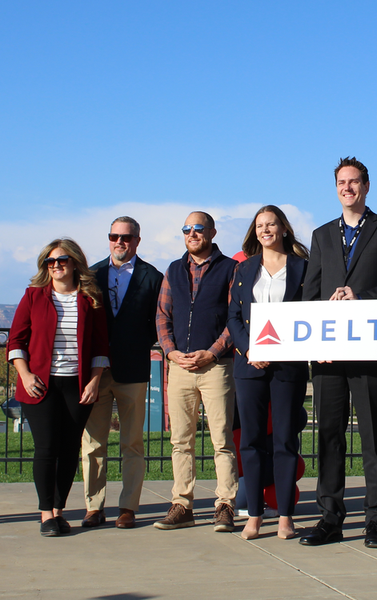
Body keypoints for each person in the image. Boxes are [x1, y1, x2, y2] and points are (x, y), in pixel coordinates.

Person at [300, 157, 377, 549]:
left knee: (373, 437)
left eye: (353, 182)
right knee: (328, 435)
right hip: (329, 353)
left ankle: (376, 520)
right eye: (341, 183)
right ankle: (330, 518)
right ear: (336, 189)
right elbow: (311, 294)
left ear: (366, 186)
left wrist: (360, 296)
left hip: (370, 349)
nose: (347, 188)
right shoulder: (322, 235)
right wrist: (315, 343)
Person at [7, 239, 110, 537]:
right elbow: (15, 340)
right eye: (49, 262)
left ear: (75, 263)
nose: (55, 266)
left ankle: (59, 511)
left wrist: (94, 380)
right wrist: (25, 375)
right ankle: (45, 514)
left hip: (77, 385)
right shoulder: (33, 296)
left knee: (68, 450)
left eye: (62, 260)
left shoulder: (90, 298)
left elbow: (100, 345)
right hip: (41, 385)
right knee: (46, 448)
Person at [227, 205, 310, 540]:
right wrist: (250, 350)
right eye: (260, 225)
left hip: (288, 365)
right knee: (250, 441)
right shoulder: (244, 269)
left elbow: (311, 313)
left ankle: (286, 516)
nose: (265, 230)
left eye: (271, 224)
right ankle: (255, 516)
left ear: (284, 229)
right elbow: (233, 316)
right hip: (250, 366)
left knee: (285, 440)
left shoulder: (303, 268)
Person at [154, 211, 239, 532]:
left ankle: (225, 505)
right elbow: (162, 316)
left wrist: (212, 352)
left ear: (212, 232)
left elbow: (236, 317)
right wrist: (171, 352)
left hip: (216, 366)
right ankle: (182, 504)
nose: (192, 234)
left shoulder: (230, 268)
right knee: (180, 441)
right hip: (179, 367)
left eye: (198, 228)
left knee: (222, 441)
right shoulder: (173, 270)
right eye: (186, 229)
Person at [80, 217, 164, 530]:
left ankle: (128, 507)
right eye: (114, 236)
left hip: (134, 369)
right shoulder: (91, 275)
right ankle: (93, 506)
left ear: (137, 240)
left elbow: (158, 321)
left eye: (126, 237)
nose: (120, 242)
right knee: (93, 444)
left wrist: (138, 343)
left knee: (132, 443)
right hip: (96, 372)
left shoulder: (152, 276)